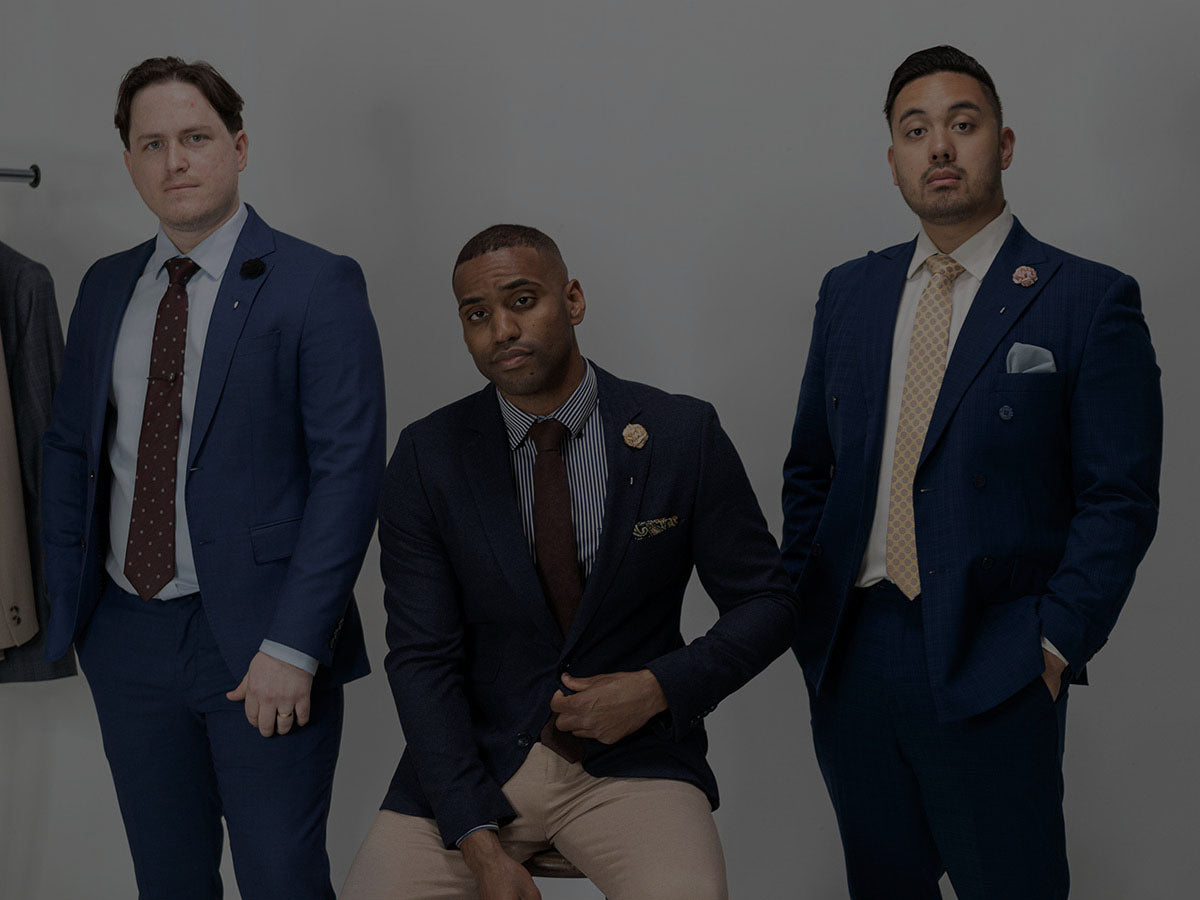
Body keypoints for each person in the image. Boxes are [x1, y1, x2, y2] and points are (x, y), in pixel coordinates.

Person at [781, 45, 1162, 899]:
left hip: (997, 650)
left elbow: (1120, 497)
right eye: (915, 131)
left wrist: (1053, 645)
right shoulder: (850, 292)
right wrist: (811, 613)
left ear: (1005, 142)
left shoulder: (1086, 297)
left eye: (963, 124)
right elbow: (812, 468)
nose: (940, 148)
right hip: (856, 651)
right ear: (893, 161)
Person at [343, 224, 797, 899]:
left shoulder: (678, 434)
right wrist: (477, 840)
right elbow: (421, 658)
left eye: (522, 300)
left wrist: (659, 687)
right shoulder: (428, 457)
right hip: (478, 762)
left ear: (574, 299)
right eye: (477, 315)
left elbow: (770, 602)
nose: (502, 329)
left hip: (634, 762)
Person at [40, 57, 385, 899]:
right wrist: (77, 616)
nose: (175, 162)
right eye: (151, 144)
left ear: (237, 146)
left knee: (281, 879)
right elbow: (68, 454)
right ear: (129, 163)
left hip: (262, 643)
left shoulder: (316, 283)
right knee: (168, 879)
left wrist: (294, 645)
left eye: (194, 138)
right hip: (127, 636)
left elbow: (348, 475)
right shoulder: (103, 288)